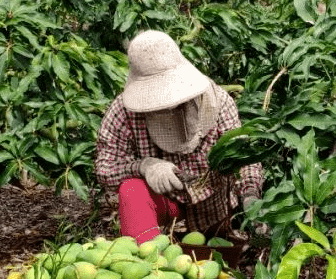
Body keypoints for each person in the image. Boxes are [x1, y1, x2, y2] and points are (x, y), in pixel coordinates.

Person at [95, 30, 263, 243]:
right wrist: (144, 166)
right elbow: (105, 169)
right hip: (167, 202)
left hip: (213, 205)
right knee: (132, 190)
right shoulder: (123, 112)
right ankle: (148, 262)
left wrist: (250, 194)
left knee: (213, 258)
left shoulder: (218, 102)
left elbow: (242, 155)